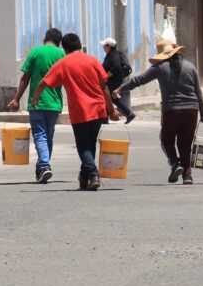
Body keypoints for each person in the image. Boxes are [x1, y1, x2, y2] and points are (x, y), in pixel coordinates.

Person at [114, 40, 203, 185]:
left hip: (171, 112)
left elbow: (139, 80)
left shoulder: (159, 67)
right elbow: (198, 93)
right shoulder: (190, 67)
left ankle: (175, 164)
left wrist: (121, 88)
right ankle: (187, 175)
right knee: (185, 144)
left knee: (166, 140)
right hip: (191, 111)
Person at [32, 33, 121, 191]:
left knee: (84, 147)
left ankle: (93, 175)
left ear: (64, 48)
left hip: (80, 111)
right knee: (90, 144)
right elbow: (104, 87)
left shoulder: (63, 63)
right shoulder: (92, 60)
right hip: (98, 109)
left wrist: (35, 99)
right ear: (80, 45)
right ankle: (84, 175)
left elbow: (42, 84)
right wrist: (111, 110)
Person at [8, 28, 65, 184]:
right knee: (48, 136)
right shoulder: (61, 55)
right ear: (59, 42)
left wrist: (17, 99)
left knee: (40, 135)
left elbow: (25, 78)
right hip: (54, 104)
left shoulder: (35, 52)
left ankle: (44, 165)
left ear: (45, 38)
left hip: (36, 102)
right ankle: (42, 168)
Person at [100, 37, 136, 124]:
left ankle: (104, 118)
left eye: (104, 45)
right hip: (112, 80)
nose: (103, 47)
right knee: (113, 98)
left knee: (105, 96)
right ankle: (129, 114)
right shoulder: (110, 55)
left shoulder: (114, 55)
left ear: (109, 46)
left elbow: (116, 67)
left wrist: (106, 76)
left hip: (113, 81)